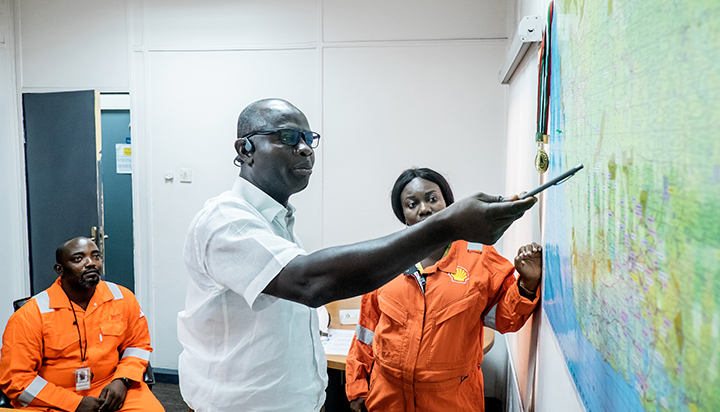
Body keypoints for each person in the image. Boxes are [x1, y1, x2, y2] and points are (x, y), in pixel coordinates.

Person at [177, 98, 538, 412]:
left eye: (308, 139)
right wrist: (446, 226)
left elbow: (503, 316)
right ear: (245, 150)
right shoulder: (228, 221)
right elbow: (312, 285)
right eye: (288, 137)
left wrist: (526, 281)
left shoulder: (277, 223)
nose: (305, 149)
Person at [344, 168, 542, 412]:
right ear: (403, 215)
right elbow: (366, 330)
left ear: (448, 203)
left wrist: (528, 283)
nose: (424, 208)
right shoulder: (387, 258)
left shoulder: (478, 258)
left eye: (431, 198)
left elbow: (506, 319)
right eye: (412, 203)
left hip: (452, 401)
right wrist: (356, 386)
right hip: (388, 398)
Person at [0, 237, 164, 412]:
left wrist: (122, 380)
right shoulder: (30, 314)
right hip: (52, 398)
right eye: (78, 259)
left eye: (95, 256)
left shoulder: (123, 298)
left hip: (111, 389)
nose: (90, 263)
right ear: (60, 269)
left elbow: (137, 345)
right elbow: (16, 378)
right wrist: (73, 403)